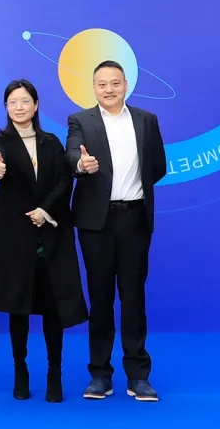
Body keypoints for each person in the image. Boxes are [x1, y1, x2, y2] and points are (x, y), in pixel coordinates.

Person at [65, 60, 167, 402]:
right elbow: (71, 156)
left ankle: (138, 376)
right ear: (94, 88)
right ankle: (100, 374)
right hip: (96, 223)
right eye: (102, 84)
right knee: (101, 298)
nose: (109, 89)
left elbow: (157, 166)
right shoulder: (80, 120)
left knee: (134, 297)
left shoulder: (146, 120)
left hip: (135, 219)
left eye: (115, 83)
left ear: (126, 85)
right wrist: (82, 165)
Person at [0, 79, 88, 403]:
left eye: (24, 101)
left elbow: (64, 181)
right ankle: (21, 371)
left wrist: (45, 210)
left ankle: (54, 373)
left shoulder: (51, 142)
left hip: (51, 234)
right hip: (16, 238)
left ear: (36, 105)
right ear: (6, 107)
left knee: (54, 308)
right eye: (12, 102)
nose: (19, 107)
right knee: (18, 308)